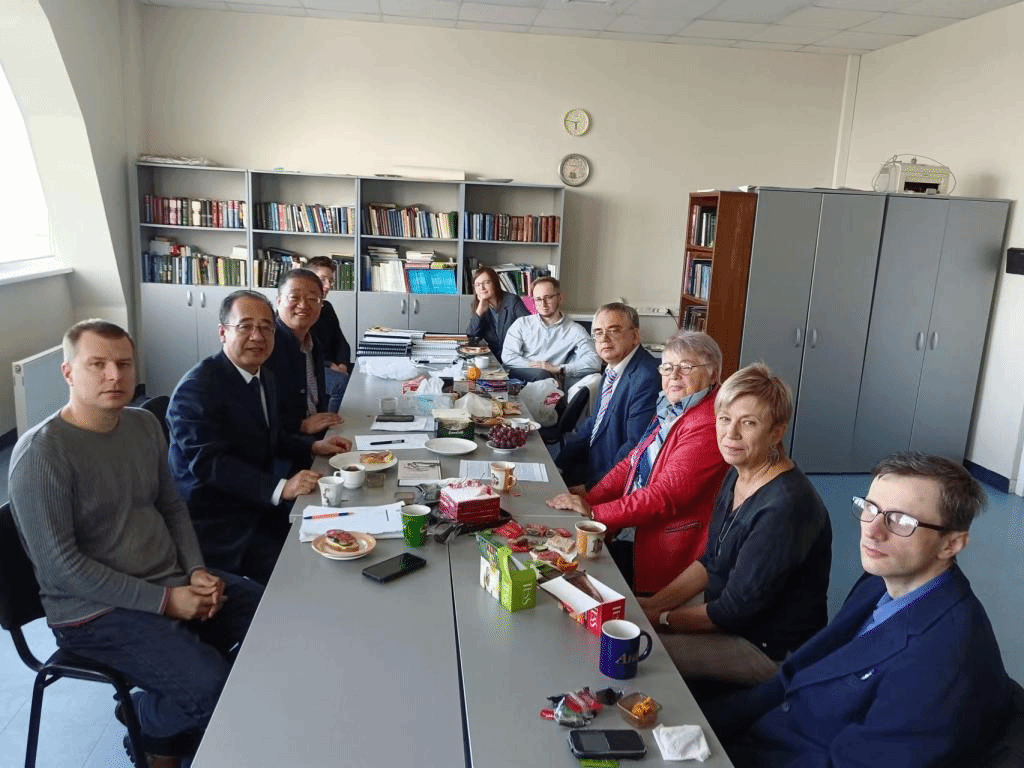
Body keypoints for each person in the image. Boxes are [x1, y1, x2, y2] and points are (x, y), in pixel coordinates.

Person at [7, 319, 264, 767]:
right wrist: (167, 602)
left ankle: (166, 721)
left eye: (124, 364)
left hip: (167, 580)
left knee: (272, 620)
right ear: (68, 372)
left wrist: (195, 571)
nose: (114, 375)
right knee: (216, 688)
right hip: (92, 612)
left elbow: (171, 506)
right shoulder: (42, 454)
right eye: (97, 364)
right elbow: (62, 568)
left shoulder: (143, 424)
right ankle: (145, 716)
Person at [707, 453, 1011, 768]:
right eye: (870, 508)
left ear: (951, 544)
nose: (873, 531)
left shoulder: (942, 661)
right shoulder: (881, 581)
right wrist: (709, 722)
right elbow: (796, 674)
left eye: (900, 520)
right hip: (765, 735)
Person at [636, 363, 832, 689]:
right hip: (728, 614)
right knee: (634, 617)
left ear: (776, 433)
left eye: (749, 423)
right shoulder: (739, 470)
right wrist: (653, 604)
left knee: (641, 650)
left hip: (767, 648)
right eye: (725, 419)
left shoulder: (785, 507)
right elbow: (711, 561)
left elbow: (732, 611)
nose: (731, 434)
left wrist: (662, 619)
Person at [167, 290, 351, 584]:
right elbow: (209, 464)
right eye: (245, 326)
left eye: (266, 327)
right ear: (223, 333)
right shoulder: (197, 389)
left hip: (258, 505)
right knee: (311, 569)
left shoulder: (264, 376)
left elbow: (271, 437)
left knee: (341, 531)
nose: (257, 336)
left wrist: (314, 445)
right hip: (219, 522)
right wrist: (281, 487)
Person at [547, 331, 728, 594]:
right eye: (667, 367)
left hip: (669, 551)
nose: (674, 375)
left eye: (686, 367)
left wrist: (595, 514)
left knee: (568, 580)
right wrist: (589, 500)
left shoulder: (708, 423)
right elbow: (632, 462)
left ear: (713, 374)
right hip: (638, 527)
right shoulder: (674, 406)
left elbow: (665, 496)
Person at [554, 302, 661, 489]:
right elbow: (594, 423)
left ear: (635, 336)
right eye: (598, 332)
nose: (604, 338)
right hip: (591, 466)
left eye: (614, 330)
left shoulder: (646, 377)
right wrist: (558, 464)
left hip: (610, 483)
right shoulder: (613, 368)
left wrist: (590, 489)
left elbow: (634, 448)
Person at [264, 268, 343, 461]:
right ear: (278, 300)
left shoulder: (312, 342)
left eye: (312, 299)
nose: (303, 305)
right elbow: (258, 418)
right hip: (284, 452)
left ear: (321, 304)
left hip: (315, 439)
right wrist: (302, 426)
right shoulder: (266, 346)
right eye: (294, 297)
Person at [501, 276, 601, 388]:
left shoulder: (575, 330)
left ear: (560, 297)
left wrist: (559, 369)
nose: (543, 304)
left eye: (548, 298)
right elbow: (508, 357)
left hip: (551, 382)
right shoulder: (522, 324)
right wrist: (538, 366)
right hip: (521, 378)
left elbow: (595, 362)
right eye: (538, 299)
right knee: (541, 374)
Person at [307, 256, 353, 412]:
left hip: (333, 364)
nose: (327, 286)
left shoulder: (327, 308)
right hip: (314, 367)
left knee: (361, 372)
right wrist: (329, 365)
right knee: (341, 382)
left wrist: (343, 363)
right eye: (322, 280)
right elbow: (306, 351)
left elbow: (340, 342)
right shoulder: (303, 311)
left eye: (331, 281)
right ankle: (331, 422)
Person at [464, 266, 530, 363]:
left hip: (515, 358)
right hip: (494, 359)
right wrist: (479, 312)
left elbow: (529, 328)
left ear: (495, 283)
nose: (482, 288)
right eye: (477, 285)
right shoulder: (480, 305)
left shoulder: (512, 301)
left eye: (486, 282)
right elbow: (472, 336)